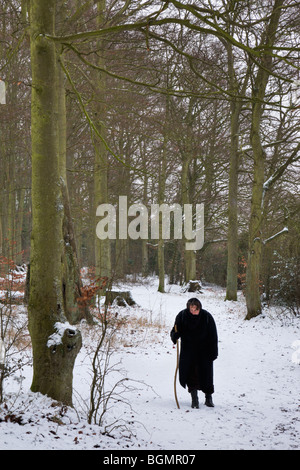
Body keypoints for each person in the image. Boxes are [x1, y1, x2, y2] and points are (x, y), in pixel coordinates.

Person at [170, 298, 218, 408]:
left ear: (199, 308)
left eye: (195, 309)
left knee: (206, 374)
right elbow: (175, 329)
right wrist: (175, 335)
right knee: (191, 374)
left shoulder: (206, 317)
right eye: (191, 309)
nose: (193, 312)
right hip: (189, 351)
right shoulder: (182, 315)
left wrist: (213, 351)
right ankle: (194, 399)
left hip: (204, 351)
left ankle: (208, 398)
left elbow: (213, 335)